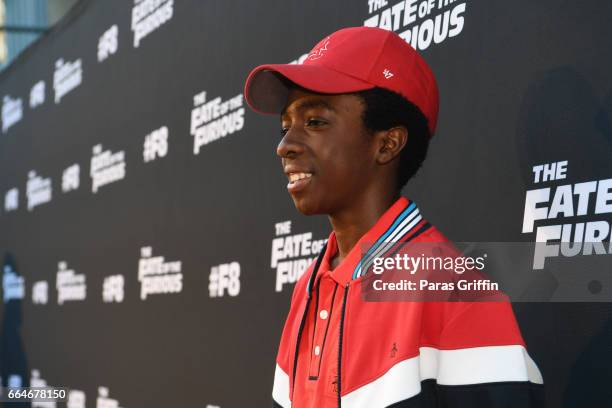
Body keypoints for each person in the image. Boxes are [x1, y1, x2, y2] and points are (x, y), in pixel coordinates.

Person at [244, 26, 543, 408]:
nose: (284, 146)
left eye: (315, 121)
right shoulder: (310, 284)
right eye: (286, 126)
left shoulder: (455, 291)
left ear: (387, 144)